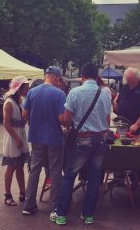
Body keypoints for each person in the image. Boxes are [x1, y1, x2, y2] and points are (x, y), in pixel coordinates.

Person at [52, 63, 112, 225]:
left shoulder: (75, 92)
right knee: (94, 178)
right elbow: (107, 121)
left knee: (70, 175)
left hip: (81, 139)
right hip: (100, 139)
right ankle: (88, 215)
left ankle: (62, 214)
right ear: (96, 75)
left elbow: (66, 120)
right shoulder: (106, 94)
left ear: (83, 76)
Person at [22, 66, 66, 216]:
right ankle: (55, 206)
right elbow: (62, 119)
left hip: (36, 137)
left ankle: (28, 205)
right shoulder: (59, 94)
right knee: (55, 172)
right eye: (59, 79)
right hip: (54, 138)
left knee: (34, 171)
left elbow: (24, 114)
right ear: (55, 77)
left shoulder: (32, 92)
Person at [113, 67, 140, 188]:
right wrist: (115, 103)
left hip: (137, 126)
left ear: (137, 78)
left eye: (131, 80)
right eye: (128, 80)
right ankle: (119, 177)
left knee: (136, 154)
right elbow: (119, 101)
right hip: (122, 125)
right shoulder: (124, 87)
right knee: (119, 150)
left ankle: (135, 179)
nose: (129, 83)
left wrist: (137, 124)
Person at [2, 76, 30, 206]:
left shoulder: (20, 101)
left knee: (20, 166)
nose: (27, 90)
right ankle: (7, 195)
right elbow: (6, 124)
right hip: (14, 137)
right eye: (25, 87)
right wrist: (17, 138)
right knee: (12, 166)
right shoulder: (9, 103)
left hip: (20, 135)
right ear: (19, 88)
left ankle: (22, 191)